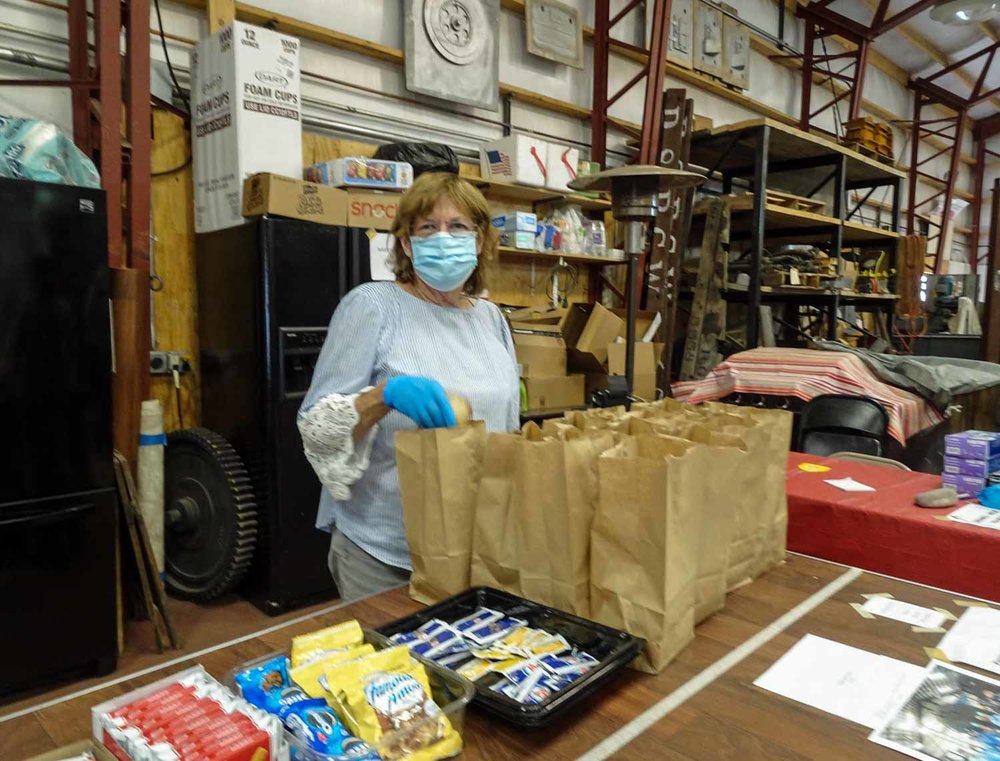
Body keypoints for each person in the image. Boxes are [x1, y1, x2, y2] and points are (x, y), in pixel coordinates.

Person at [298, 171, 520, 601]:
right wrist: (384, 396)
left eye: (458, 227)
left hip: (476, 548)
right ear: (406, 243)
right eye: (427, 228)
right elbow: (316, 428)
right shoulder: (372, 306)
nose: (444, 237)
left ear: (478, 241)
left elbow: (507, 424)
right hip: (386, 553)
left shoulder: (491, 319)